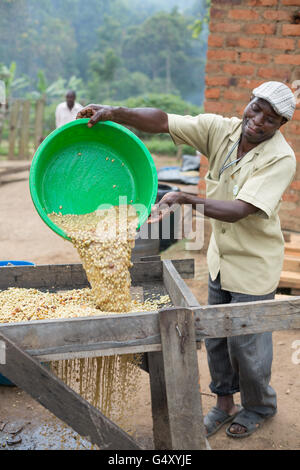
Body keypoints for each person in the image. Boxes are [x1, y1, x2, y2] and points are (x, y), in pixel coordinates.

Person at [76, 81, 296, 439]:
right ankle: (224, 403)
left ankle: (259, 406)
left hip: (254, 261)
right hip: (221, 257)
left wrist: (185, 199)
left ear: (280, 125)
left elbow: (241, 209)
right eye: (255, 109)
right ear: (249, 103)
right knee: (214, 338)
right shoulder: (223, 130)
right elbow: (164, 121)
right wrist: (115, 113)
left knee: (247, 343)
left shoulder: (281, 158)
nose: (257, 121)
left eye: (270, 119)